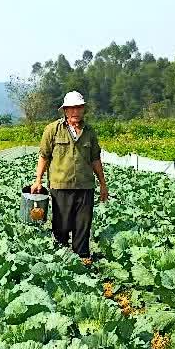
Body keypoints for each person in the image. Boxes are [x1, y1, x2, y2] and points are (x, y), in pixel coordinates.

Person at [30, 91, 109, 261]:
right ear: (65, 110)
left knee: (83, 225)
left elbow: (95, 159)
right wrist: (38, 181)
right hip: (61, 185)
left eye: (79, 108)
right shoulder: (53, 129)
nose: (75, 112)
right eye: (71, 108)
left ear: (83, 110)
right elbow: (44, 156)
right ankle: (61, 258)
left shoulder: (89, 132)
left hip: (85, 185)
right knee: (62, 225)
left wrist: (103, 184)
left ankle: (82, 258)